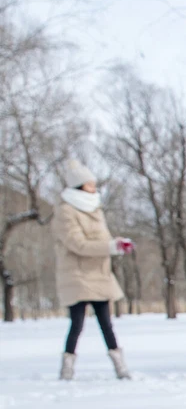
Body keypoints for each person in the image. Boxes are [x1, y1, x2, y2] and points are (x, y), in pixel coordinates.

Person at [54, 159, 134, 380]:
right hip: (77, 275)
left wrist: (117, 244)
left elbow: (103, 239)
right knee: (77, 323)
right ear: (79, 186)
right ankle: (67, 367)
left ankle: (120, 366)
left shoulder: (95, 208)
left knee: (106, 323)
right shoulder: (65, 211)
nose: (94, 187)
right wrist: (110, 247)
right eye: (90, 184)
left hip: (99, 274)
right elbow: (77, 244)